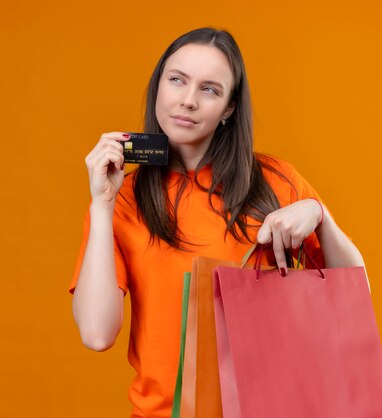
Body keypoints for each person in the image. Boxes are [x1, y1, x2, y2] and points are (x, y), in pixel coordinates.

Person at [68, 27, 366, 418]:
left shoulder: (276, 181)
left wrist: (320, 216)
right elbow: (96, 333)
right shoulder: (123, 198)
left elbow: (355, 299)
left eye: (209, 89)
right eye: (177, 80)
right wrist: (102, 205)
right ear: (159, 86)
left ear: (228, 108)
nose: (188, 100)